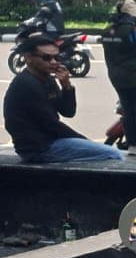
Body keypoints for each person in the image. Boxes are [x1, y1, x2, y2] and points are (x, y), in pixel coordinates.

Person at [4, 34, 123, 163]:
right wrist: (86, 142)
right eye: (46, 58)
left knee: (107, 153)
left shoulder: (47, 79)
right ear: (28, 58)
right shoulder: (26, 84)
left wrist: (66, 86)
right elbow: (51, 125)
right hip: (39, 148)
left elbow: (68, 112)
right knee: (113, 154)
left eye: (57, 57)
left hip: (51, 141)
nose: (53, 62)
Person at [102, 0, 136, 155]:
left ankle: (132, 145)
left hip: (117, 79)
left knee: (128, 110)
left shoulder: (107, 31)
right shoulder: (133, 31)